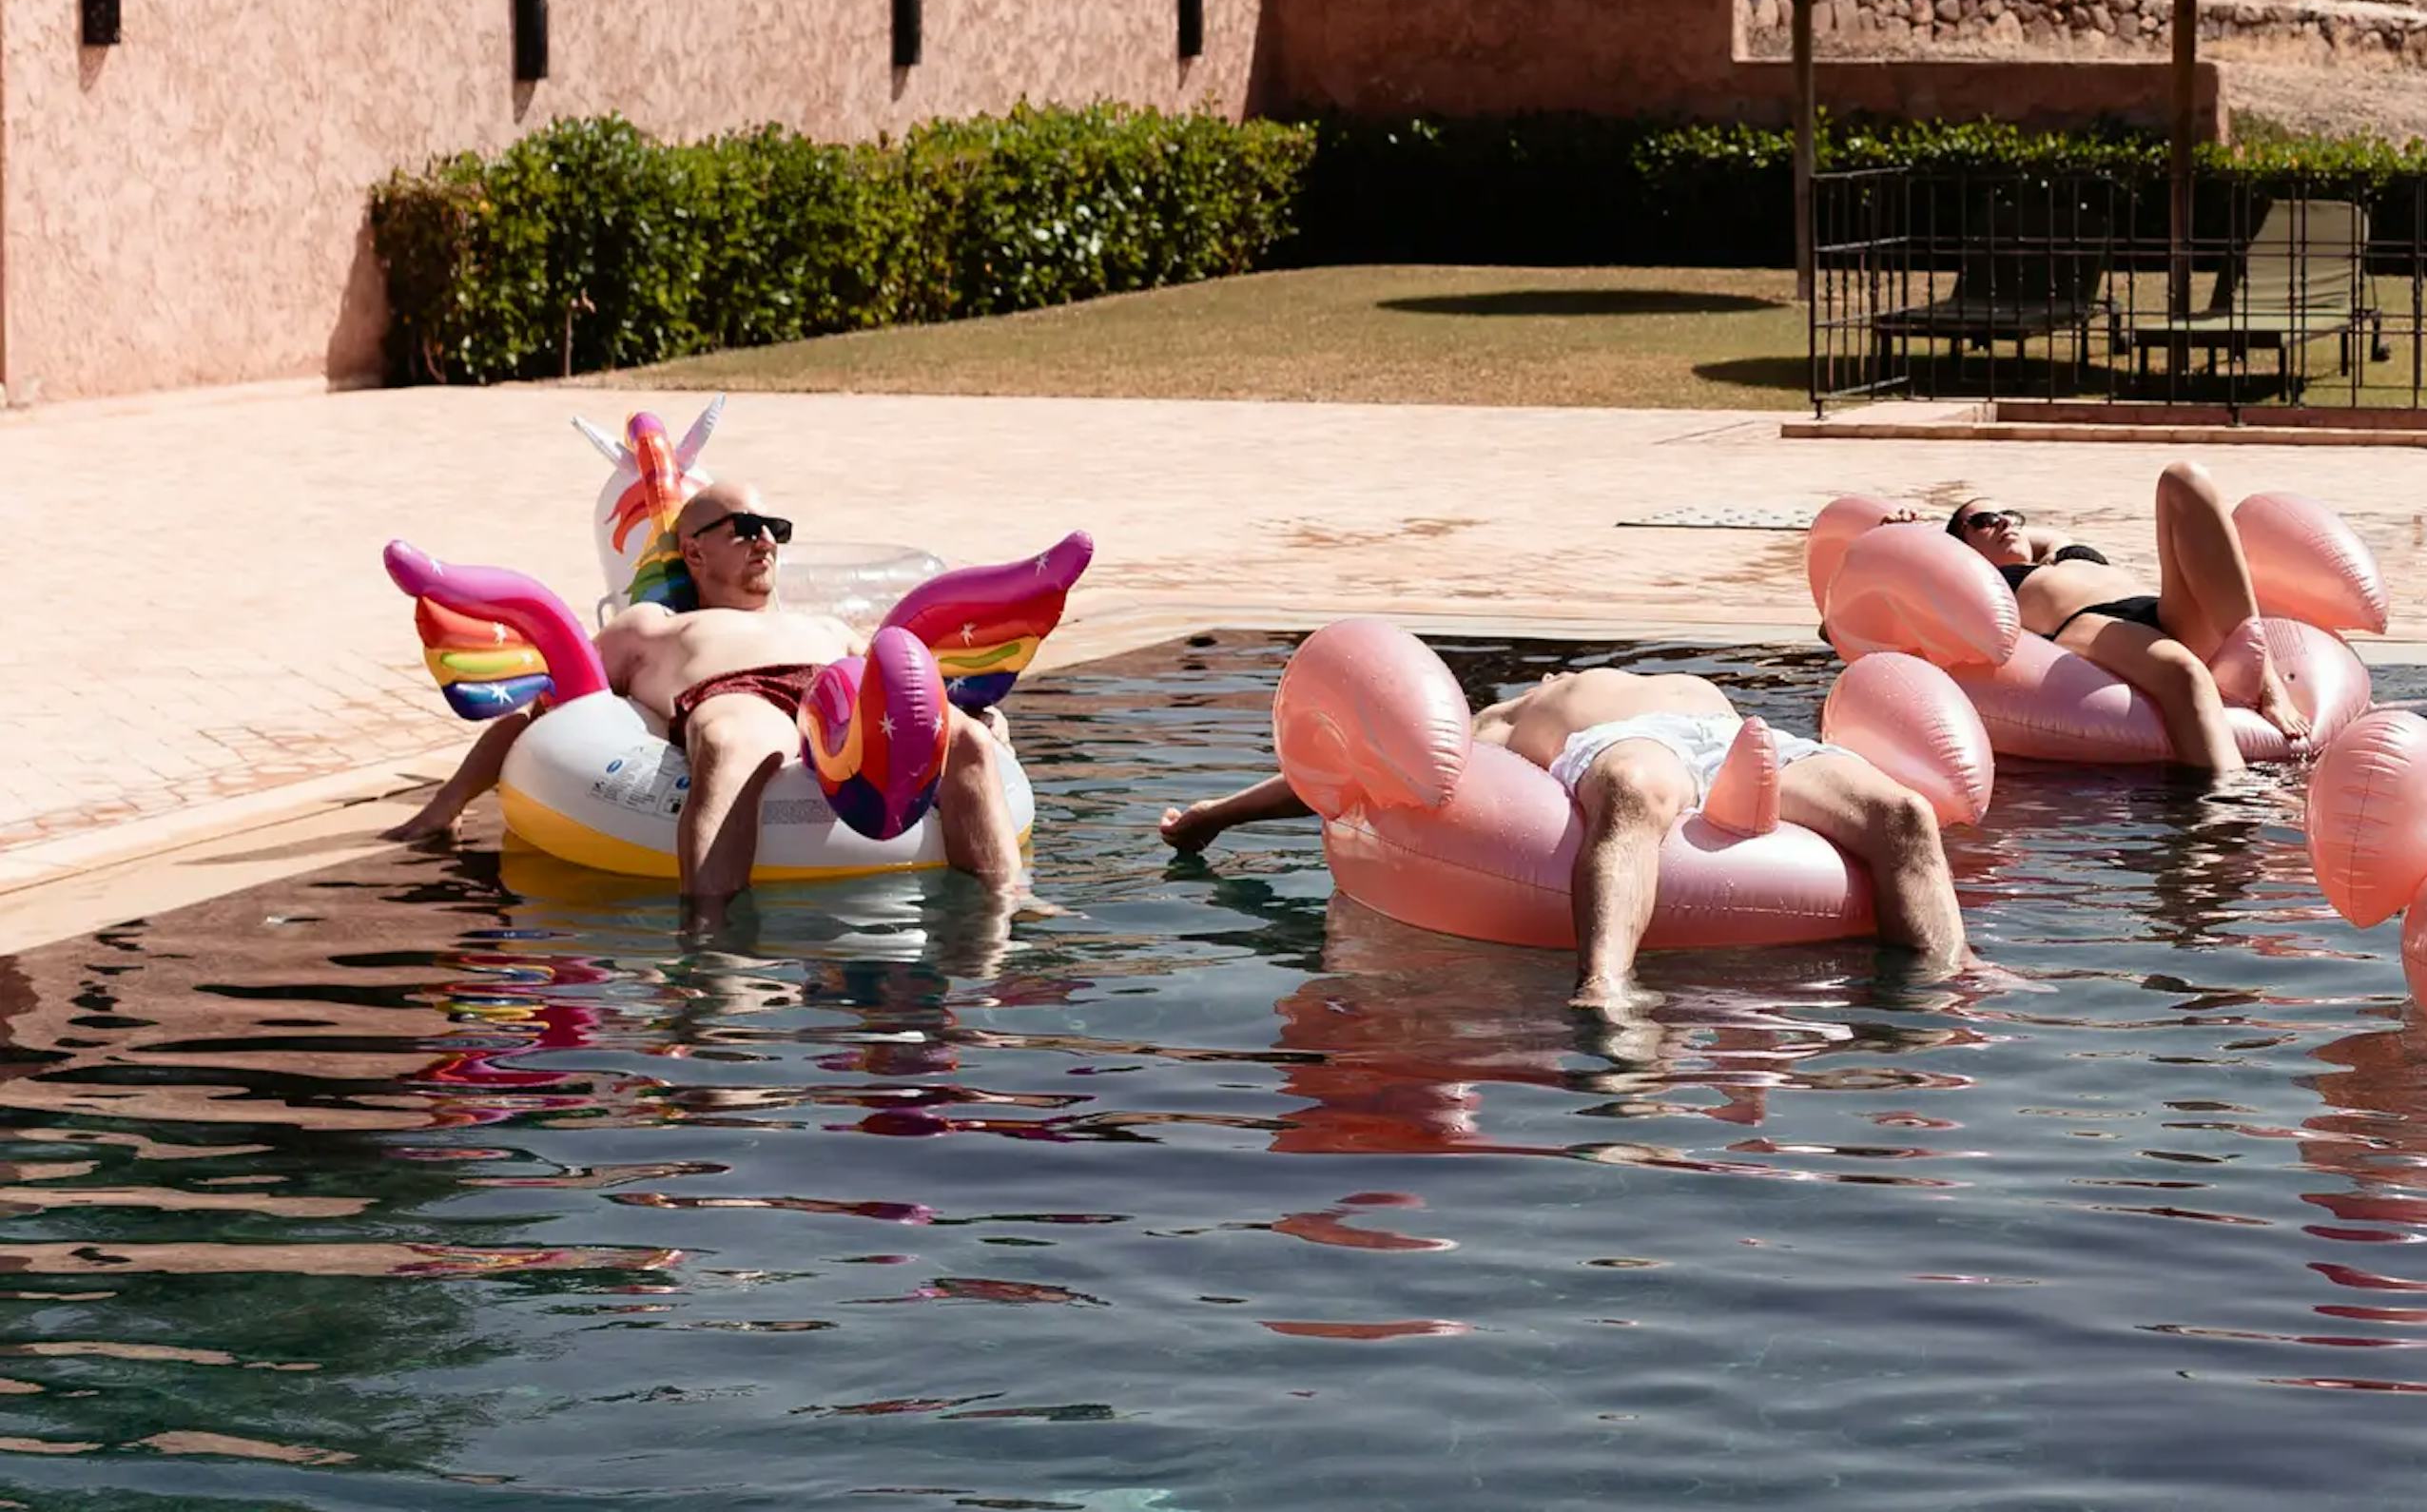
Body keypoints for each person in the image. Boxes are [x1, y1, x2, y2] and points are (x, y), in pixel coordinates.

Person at [391, 482, 1037, 935]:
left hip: (837, 689)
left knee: (966, 744)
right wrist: (443, 808)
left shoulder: (826, 623)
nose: (766, 542)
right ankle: (711, 941)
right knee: (732, 745)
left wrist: (981, 723)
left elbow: (905, 696)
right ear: (694, 551)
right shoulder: (654, 624)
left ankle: (1008, 905)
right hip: (735, 690)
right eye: (746, 528)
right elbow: (551, 714)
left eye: (775, 530)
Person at [1162, 666, 1974, 1013]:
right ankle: (1605, 986)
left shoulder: (1656, 678)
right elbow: (1359, 770)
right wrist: (1215, 814)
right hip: (1626, 740)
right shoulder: (1497, 720)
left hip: (1739, 738)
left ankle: (1948, 977)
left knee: (1902, 812)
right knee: (1637, 792)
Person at [1936, 461, 2283, 782]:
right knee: (2184, 673)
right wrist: (1917, 526)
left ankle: (2267, 680)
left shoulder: (2062, 549)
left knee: (2183, 477)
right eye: (1984, 521)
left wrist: (2006, 529)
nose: (2003, 523)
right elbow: (1926, 563)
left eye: (2010, 516)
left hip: (2159, 611)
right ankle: (2231, 814)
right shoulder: (1982, 581)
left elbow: (2041, 534)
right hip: (2089, 626)